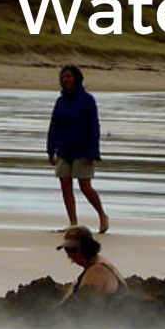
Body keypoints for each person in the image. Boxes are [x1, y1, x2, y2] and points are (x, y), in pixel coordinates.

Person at [47, 65, 109, 234]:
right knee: (65, 186)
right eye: (64, 77)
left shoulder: (87, 100)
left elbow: (94, 127)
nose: (66, 79)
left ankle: (102, 215)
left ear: (77, 78)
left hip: (83, 150)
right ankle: (73, 223)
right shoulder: (60, 101)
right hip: (63, 150)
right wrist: (50, 150)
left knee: (85, 187)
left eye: (69, 76)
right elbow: (54, 126)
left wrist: (93, 152)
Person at [57, 225, 127, 299]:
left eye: (72, 250)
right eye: (66, 249)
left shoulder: (98, 271)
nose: (69, 255)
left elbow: (84, 305)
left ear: (87, 248)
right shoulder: (97, 265)